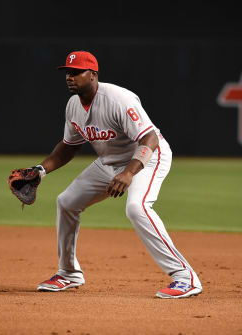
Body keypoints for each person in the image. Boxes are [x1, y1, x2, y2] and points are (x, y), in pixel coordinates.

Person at [31, 51, 202, 299]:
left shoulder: (119, 99)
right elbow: (68, 146)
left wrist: (129, 173)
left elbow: (149, 138)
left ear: (93, 75)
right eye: (68, 73)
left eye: (77, 72)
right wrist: (40, 170)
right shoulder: (73, 106)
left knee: (137, 207)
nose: (70, 77)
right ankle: (68, 273)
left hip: (148, 157)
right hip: (110, 162)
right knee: (66, 202)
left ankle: (185, 277)